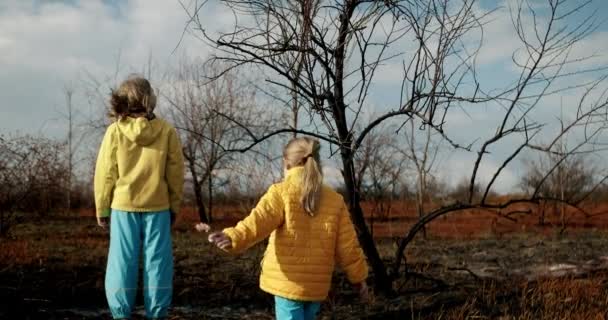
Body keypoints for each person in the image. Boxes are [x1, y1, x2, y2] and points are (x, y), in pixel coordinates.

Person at [199, 137, 369, 320]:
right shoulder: (335, 200)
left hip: (287, 283)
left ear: (286, 163)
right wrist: (359, 279)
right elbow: (348, 247)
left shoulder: (281, 192)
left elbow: (257, 222)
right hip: (316, 288)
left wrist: (234, 237)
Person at [94, 75, 184, 320]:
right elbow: (176, 173)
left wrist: (102, 209)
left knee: (122, 261)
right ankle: (157, 313)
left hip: (123, 207)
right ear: (149, 98)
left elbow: (105, 173)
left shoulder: (115, 131)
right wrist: (174, 206)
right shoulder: (167, 131)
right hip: (159, 207)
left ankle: (121, 313)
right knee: (159, 262)